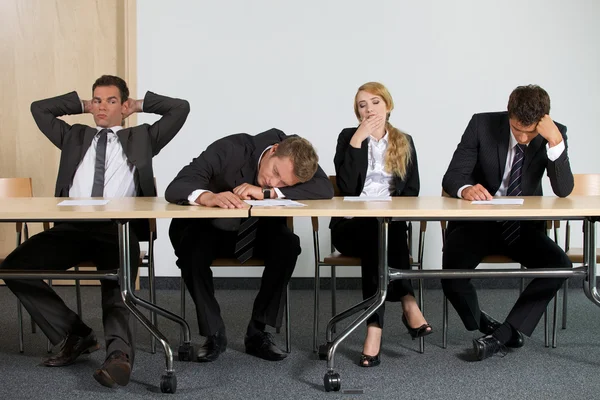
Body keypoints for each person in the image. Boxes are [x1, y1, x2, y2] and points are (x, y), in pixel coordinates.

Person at [0, 75, 190, 387]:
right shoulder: (73, 135)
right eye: (97, 100)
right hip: (72, 228)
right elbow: (39, 110)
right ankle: (75, 335)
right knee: (16, 268)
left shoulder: (143, 137)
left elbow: (179, 109)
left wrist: (138, 105)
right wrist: (81, 105)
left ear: (124, 106)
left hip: (117, 229)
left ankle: (118, 357)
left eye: (111, 101)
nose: (102, 107)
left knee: (115, 286)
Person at [166, 129, 333, 362]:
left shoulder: (296, 155)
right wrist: (208, 197)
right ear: (274, 149)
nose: (273, 181)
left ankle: (257, 332)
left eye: (283, 182)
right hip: (210, 229)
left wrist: (269, 192)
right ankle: (214, 333)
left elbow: (324, 188)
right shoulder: (231, 149)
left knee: (288, 246)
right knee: (191, 250)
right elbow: (177, 185)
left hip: (257, 232)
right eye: (274, 172)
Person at [441, 84, 573, 361]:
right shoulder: (481, 124)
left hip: (521, 226)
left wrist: (555, 142)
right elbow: (452, 175)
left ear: (544, 121)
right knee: (451, 274)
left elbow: (563, 189)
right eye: (517, 129)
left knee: (560, 266)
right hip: (479, 223)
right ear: (508, 114)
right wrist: (466, 188)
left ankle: (503, 335)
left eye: (531, 131)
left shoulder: (554, 133)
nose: (524, 138)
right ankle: (489, 326)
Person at [330, 82, 431, 367]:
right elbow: (348, 188)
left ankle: (374, 329)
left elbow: (411, 193)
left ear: (388, 106)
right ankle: (408, 302)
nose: (369, 109)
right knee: (377, 230)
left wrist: (386, 210)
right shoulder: (348, 137)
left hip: (388, 226)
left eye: (375, 102)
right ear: (357, 112)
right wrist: (358, 141)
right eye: (362, 105)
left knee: (384, 230)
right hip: (350, 226)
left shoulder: (404, 140)